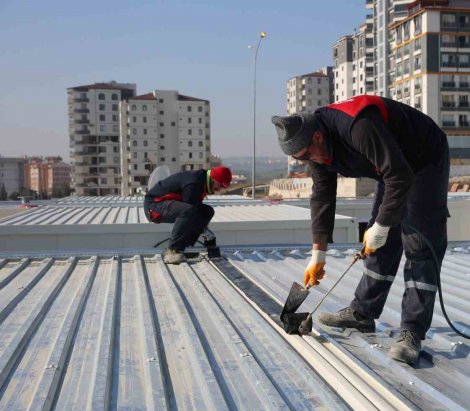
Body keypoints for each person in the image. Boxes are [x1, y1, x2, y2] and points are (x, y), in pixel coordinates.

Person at [271, 95, 450, 365]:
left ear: (317, 137)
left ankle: (411, 331)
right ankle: (362, 313)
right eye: (301, 160)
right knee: (379, 240)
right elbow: (322, 197)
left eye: (306, 156)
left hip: (423, 157)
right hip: (392, 169)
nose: (309, 162)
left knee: (419, 244)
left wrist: (382, 223)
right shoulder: (316, 152)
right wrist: (317, 253)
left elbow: (400, 175)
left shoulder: (358, 126)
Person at [144, 165, 232, 264]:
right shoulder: (194, 183)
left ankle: (186, 248)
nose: (218, 189)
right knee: (188, 211)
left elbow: (197, 214)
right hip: (154, 206)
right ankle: (172, 251)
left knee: (207, 211)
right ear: (213, 178)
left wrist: (203, 228)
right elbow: (190, 212)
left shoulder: (202, 181)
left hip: (166, 204)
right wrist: (208, 236)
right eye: (219, 185)